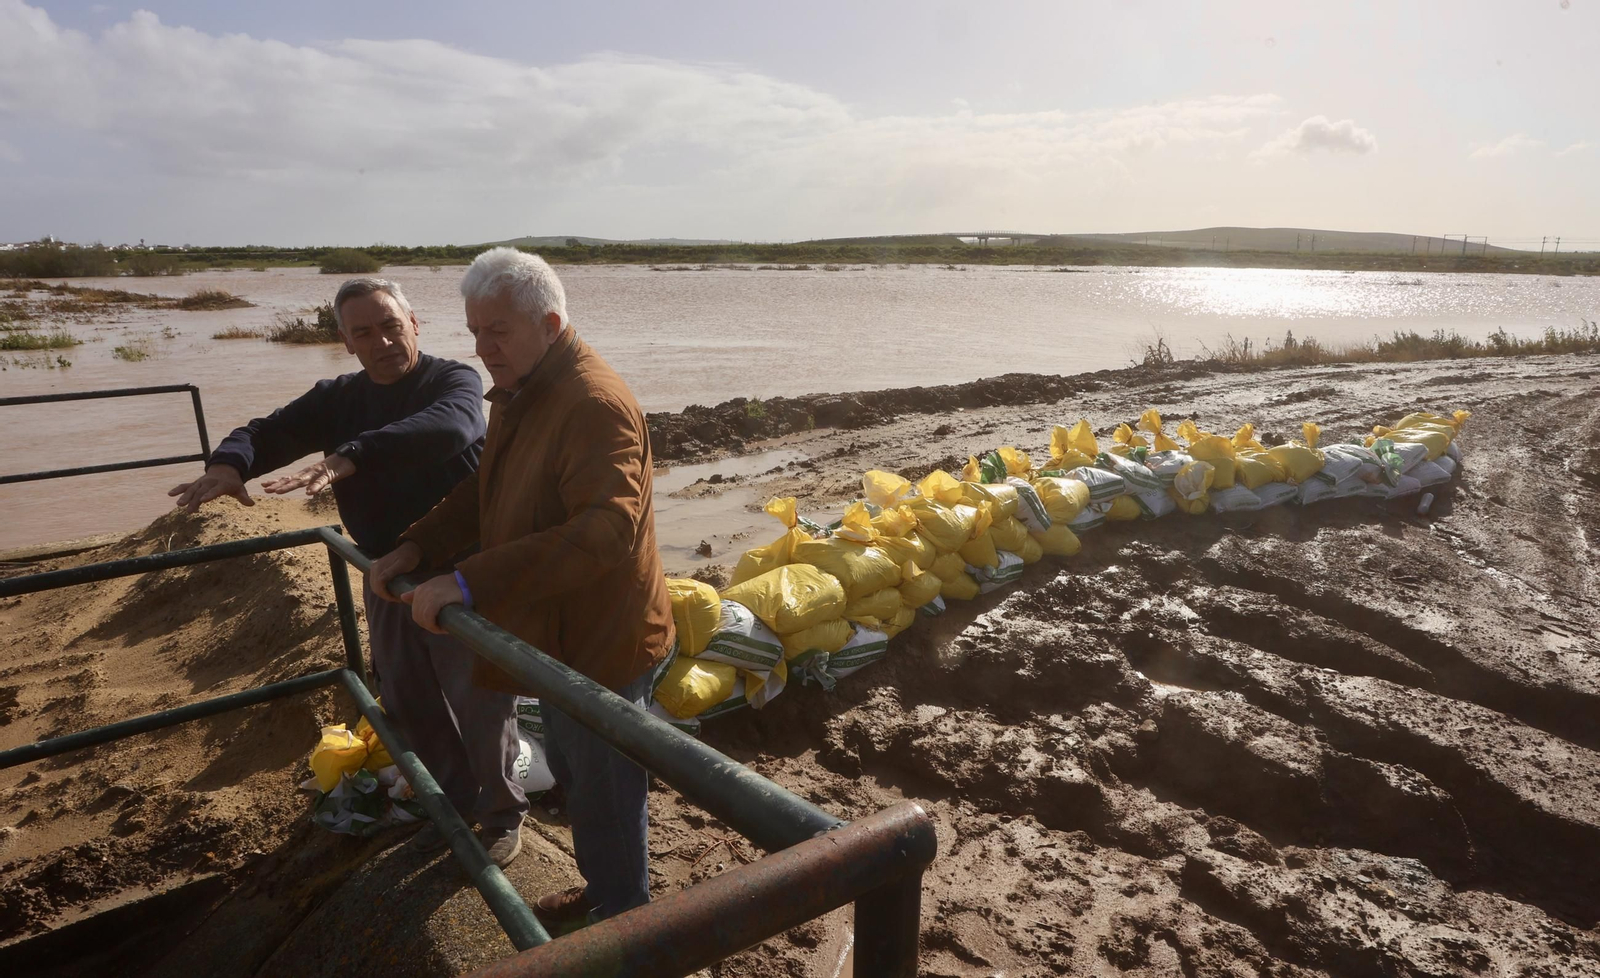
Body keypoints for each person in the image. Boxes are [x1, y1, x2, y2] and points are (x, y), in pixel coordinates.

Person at [168, 277, 530, 866]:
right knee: (408, 698)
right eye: (364, 332)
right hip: (385, 570)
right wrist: (230, 463)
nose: (383, 340)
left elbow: (450, 429)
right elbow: (269, 431)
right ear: (345, 342)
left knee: (481, 701)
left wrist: (347, 458)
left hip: (462, 574)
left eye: (391, 325)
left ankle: (502, 815)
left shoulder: (454, 381)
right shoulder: (337, 397)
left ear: (415, 323)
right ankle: (453, 805)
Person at [367, 248, 673, 928]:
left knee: (605, 794)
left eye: (496, 330)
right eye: (474, 331)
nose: (481, 347)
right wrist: (417, 545)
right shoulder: (521, 389)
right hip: (556, 636)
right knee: (570, 765)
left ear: (551, 323)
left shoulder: (592, 404)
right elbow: (486, 488)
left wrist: (469, 580)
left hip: (605, 642)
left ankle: (627, 925)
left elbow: (605, 532)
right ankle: (604, 895)